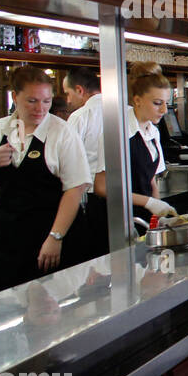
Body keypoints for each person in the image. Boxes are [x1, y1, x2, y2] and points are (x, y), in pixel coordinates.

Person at [0, 66, 92, 294]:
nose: (40, 109)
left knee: (52, 309)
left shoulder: (61, 132)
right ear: (15, 97)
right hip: (6, 241)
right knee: (2, 308)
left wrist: (55, 237)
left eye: (46, 101)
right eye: (32, 101)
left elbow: (75, 188)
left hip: (50, 237)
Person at [92, 62, 176, 229]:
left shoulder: (153, 132)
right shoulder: (117, 131)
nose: (165, 110)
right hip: (116, 220)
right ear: (137, 100)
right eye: (158, 103)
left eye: (167, 103)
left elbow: (151, 180)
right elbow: (101, 187)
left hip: (143, 218)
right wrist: (147, 202)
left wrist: (158, 215)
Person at [63, 67, 106, 256]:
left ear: (80, 90)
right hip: (129, 194)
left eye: (68, 93)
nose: (67, 100)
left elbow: (67, 160)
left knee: (97, 258)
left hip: (93, 201)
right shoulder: (126, 109)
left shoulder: (80, 116)